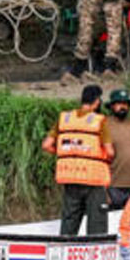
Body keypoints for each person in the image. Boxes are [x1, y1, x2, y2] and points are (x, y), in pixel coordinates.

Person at [43, 84, 114, 236]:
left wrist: (66, 155)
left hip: (70, 177)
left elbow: (47, 145)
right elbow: (110, 152)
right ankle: (95, 257)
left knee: (69, 222)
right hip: (93, 180)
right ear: (97, 101)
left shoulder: (65, 119)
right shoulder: (99, 121)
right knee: (97, 225)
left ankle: (64, 253)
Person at [101, 88, 130, 208]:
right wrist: (103, 188)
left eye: (125, 104)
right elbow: (99, 158)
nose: (123, 107)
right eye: (119, 103)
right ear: (111, 106)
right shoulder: (104, 125)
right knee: (111, 221)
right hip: (113, 185)